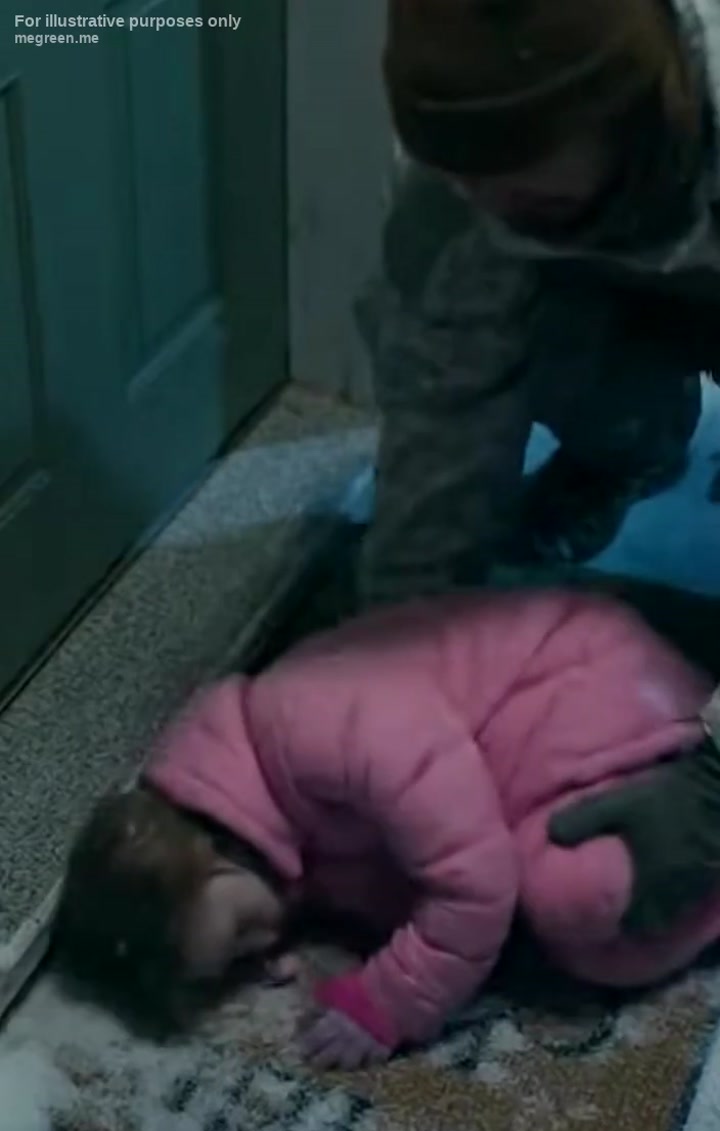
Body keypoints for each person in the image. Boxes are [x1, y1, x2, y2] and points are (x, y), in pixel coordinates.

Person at [352, 0, 720, 957]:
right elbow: (440, 424)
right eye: (466, 180)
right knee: (483, 297)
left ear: (636, 108)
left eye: (520, 187)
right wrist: (396, 672)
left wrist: (716, 782)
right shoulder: (460, 187)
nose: (483, 199)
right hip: (624, 271)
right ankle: (634, 441)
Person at [54, 587, 720, 1070]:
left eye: (239, 932)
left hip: (594, 686)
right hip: (532, 748)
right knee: (586, 949)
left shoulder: (310, 718)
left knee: (582, 895)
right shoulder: (263, 819)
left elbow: (472, 876)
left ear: (209, 851)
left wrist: (393, 999)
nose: (265, 940)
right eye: (239, 961)